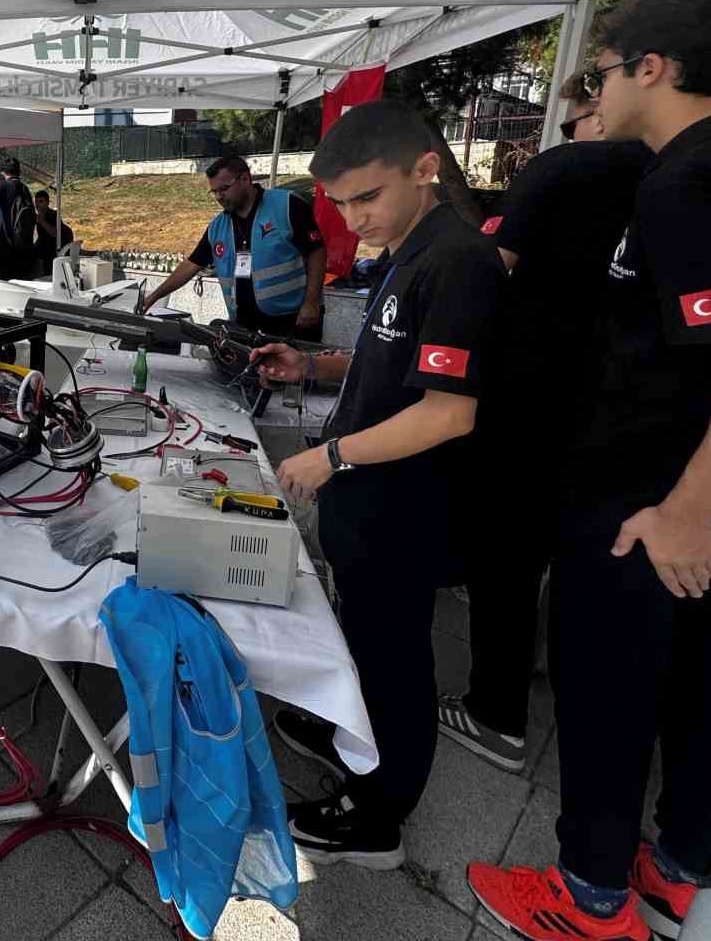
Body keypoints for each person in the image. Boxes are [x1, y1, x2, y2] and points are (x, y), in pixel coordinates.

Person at [468, 0, 711, 941]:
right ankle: (681, 869)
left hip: (657, 503)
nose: (592, 91)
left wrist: (683, 510)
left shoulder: (692, 180)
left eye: (602, 70)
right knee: (709, 693)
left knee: (608, 696)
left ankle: (593, 898)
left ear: (657, 68)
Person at [251, 100, 506, 869]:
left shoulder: (458, 260)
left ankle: (379, 815)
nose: (353, 217)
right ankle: (345, 734)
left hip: (406, 509)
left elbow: (448, 414)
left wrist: (328, 460)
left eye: (367, 197)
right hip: (369, 503)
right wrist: (316, 366)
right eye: (338, 204)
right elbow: (392, 363)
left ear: (425, 169)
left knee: (395, 660)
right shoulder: (408, 248)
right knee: (361, 639)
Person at [436, 78, 651, 775]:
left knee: (505, 561)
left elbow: (481, 273)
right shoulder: (669, 176)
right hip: (616, 417)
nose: (570, 130)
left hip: (522, 406)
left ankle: (494, 715)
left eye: (572, 119)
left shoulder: (566, 171)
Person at [137, 155, 327, 341]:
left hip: (293, 321)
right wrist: (154, 296)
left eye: (224, 189)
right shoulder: (217, 227)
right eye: (214, 192)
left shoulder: (287, 205)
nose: (219, 197)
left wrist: (311, 302)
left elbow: (317, 251)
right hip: (245, 325)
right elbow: (190, 265)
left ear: (245, 179)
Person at [0, 157, 37, 280]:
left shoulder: (2, 186)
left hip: (5, 248)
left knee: (3, 287)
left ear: (3, 172)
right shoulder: (25, 189)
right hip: (25, 248)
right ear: (19, 171)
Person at [31, 189, 74, 276]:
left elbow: (54, 233)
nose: (38, 205)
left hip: (54, 250)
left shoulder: (53, 215)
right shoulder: (39, 216)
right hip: (45, 248)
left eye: (41, 201)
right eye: (36, 202)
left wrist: (42, 221)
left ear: (47, 203)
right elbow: (41, 237)